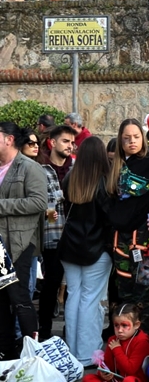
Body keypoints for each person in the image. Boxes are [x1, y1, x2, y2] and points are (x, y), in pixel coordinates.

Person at [106, 118, 149, 335]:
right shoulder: (119, 164)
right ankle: (128, 339)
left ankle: (148, 340)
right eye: (126, 138)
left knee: (147, 290)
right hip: (122, 239)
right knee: (125, 289)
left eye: (136, 137)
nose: (131, 141)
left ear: (143, 138)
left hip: (148, 238)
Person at [58, 136, 112, 365]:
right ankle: (88, 352)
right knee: (91, 299)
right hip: (96, 249)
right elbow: (109, 218)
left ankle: (72, 348)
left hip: (70, 247)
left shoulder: (71, 177)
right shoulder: (104, 181)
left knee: (74, 296)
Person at [0, 121, 47, 358]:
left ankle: (33, 352)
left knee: (19, 298)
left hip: (20, 244)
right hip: (0, 245)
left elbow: (39, 202)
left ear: (8, 139)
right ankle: (6, 351)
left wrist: (2, 206)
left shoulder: (29, 167)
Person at [38, 124, 76, 339]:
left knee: (73, 288)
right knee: (50, 288)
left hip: (74, 238)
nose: (70, 146)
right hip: (51, 236)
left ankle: (69, 332)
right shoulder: (40, 169)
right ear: (52, 142)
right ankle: (43, 332)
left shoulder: (76, 168)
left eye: (72, 142)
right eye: (65, 141)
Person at [82, 303, 149, 382]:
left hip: (134, 379)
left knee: (129, 380)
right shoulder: (113, 340)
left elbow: (130, 370)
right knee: (88, 378)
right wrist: (103, 373)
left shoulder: (142, 342)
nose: (119, 330)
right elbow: (107, 365)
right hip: (115, 379)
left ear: (136, 325)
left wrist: (117, 349)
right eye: (116, 325)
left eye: (124, 325)